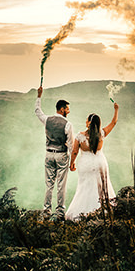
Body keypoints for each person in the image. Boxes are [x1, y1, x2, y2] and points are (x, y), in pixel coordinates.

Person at [65, 101, 119, 221]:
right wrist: (116, 110)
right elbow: (114, 122)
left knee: (85, 187)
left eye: (87, 120)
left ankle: (82, 213)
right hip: (100, 163)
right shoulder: (102, 134)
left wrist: (72, 163)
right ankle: (104, 211)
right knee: (103, 186)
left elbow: (74, 151)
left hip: (86, 164)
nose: (85, 121)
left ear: (89, 122)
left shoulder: (80, 136)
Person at [34, 85, 74, 220]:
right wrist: (73, 161)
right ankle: (60, 214)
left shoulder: (47, 120)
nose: (68, 111)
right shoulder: (68, 124)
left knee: (49, 184)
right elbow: (71, 144)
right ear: (62, 109)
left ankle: (46, 211)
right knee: (61, 185)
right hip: (61, 155)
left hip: (48, 154)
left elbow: (37, 111)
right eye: (67, 109)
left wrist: (39, 96)